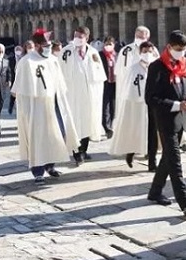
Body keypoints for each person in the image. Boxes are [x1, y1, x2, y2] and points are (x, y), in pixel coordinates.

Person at [11, 29, 80, 184]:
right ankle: (38, 171)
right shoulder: (26, 62)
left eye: (49, 44)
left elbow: (60, 83)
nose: (48, 47)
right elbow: (17, 90)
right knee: (39, 138)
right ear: (36, 46)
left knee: (58, 134)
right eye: (44, 45)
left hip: (54, 104)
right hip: (36, 107)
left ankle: (50, 165)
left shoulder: (53, 60)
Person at [146, 30, 186, 217]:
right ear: (169, 47)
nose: (181, 52)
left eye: (184, 49)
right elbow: (151, 98)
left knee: (167, 159)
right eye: (178, 49)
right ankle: (185, 202)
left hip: (181, 119)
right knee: (175, 161)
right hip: (165, 118)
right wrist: (177, 105)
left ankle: (155, 191)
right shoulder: (157, 67)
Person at [59, 26, 107, 165]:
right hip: (72, 93)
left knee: (87, 122)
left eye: (80, 37)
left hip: (89, 93)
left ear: (87, 38)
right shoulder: (66, 51)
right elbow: (60, 70)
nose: (77, 39)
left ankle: (84, 150)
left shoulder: (93, 52)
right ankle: (76, 152)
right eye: (76, 36)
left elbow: (99, 73)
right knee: (75, 123)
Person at [109, 41, 158, 170]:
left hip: (153, 104)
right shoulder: (134, 68)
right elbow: (128, 88)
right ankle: (131, 153)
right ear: (140, 52)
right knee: (136, 131)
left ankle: (152, 162)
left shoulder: (157, 67)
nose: (147, 54)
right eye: (144, 51)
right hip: (138, 104)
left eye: (150, 51)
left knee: (152, 133)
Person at [8, 41, 34, 114]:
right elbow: (17, 73)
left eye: (32, 47)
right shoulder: (23, 60)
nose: (31, 49)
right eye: (29, 47)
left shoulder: (37, 58)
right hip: (23, 84)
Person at [100, 36, 117, 139]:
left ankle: (110, 124)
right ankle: (106, 127)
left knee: (113, 105)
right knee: (105, 104)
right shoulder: (100, 55)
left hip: (114, 83)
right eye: (106, 44)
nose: (108, 46)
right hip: (105, 83)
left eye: (110, 44)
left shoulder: (116, 55)